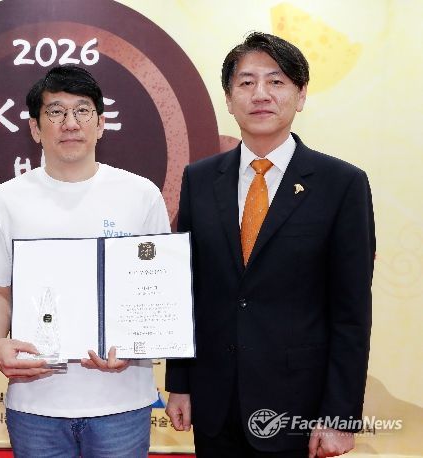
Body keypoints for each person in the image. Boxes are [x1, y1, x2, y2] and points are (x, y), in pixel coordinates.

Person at [165, 32, 375, 458]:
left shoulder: (342, 184)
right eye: (246, 82)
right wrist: (180, 384)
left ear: (301, 95)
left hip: (298, 405)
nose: (260, 94)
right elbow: (186, 291)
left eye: (276, 81)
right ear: (229, 99)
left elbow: (351, 312)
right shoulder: (200, 179)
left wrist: (340, 415)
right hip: (215, 400)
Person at [0, 64, 170, 457]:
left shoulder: (140, 195)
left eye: (82, 111)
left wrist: (137, 343)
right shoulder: (4, 200)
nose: (70, 123)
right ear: (35, 128)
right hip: (36, 404)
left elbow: (157, 289)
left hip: (122, 402)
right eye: (56, 112)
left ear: (101, 124)